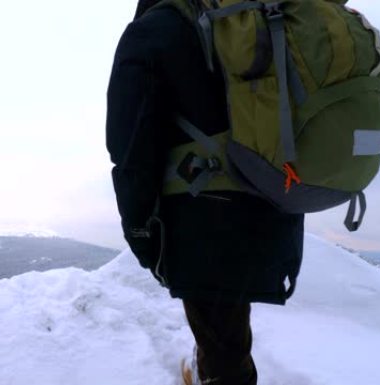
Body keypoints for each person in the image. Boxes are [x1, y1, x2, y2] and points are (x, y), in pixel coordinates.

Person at [106, 1, 305, 384]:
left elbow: (130, 149)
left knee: (225, 355)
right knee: (227, 330)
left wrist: (142, 232)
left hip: (202, 218)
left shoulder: (158, 27)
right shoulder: (261, 18)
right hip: (277, 203)